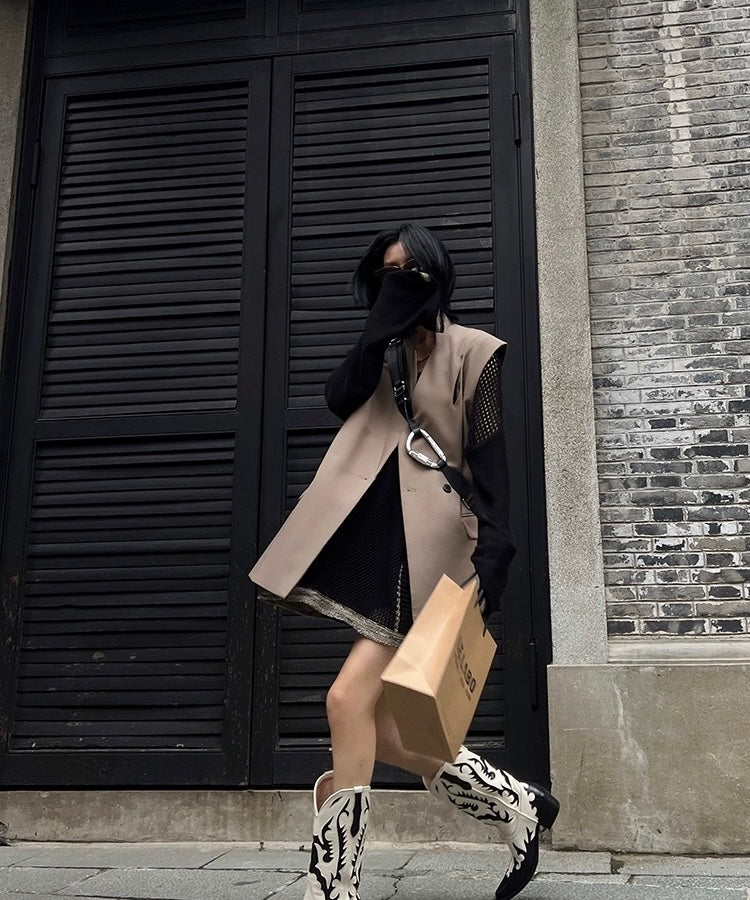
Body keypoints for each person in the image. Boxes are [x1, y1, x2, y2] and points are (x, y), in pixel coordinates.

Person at [250, 223, 558, 900]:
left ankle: (335, 886)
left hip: (437, 553)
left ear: (437, 276)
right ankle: (517, 806)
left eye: (410, 272)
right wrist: (376, 334)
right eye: (386, 272)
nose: (398, 283)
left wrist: (495, 559)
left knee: (344, 700)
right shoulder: (384, 354)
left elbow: (490, 462)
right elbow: (338, 398)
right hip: (380, 548)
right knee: (386, 729)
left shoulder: (475, 352)